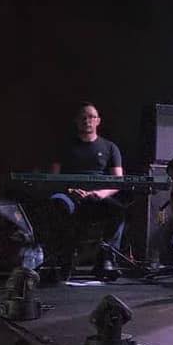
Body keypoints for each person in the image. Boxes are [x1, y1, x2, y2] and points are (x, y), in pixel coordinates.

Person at [48, 102, 126, 279]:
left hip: (97, 197)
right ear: (76, 121)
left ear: (98, 121)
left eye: (91, 117)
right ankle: (64, 259)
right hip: (69, 195)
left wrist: (100, 193)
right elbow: (53, 178)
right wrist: (70, 189)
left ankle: (106, 258)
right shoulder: (64, 146)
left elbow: (118, 181)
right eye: (83, 117)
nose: (87, 120)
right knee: (57, 205)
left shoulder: (110, 148)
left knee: (118, 211)